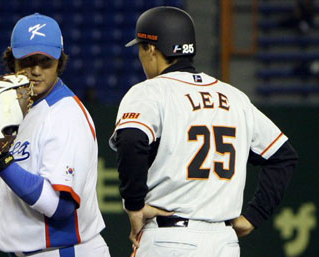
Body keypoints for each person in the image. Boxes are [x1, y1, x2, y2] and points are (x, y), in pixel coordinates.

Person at [109, 6, 298, 257]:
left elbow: (131, 140)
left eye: (141, 48)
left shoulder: (149, 91)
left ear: (151, 48)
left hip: (170, 238)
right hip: (224, 243)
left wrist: (134, 206)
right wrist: (255, 215)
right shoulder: (235, 97)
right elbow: (283, 155)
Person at [0, 13, 110, 257]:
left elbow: (60, 206)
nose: (35, 70)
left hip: (65, 251)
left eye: (45, 62)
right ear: (12, 62)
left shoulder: (66, 115)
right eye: (28, 61)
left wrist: (3, 163)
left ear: (59, 63)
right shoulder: (19, 107)